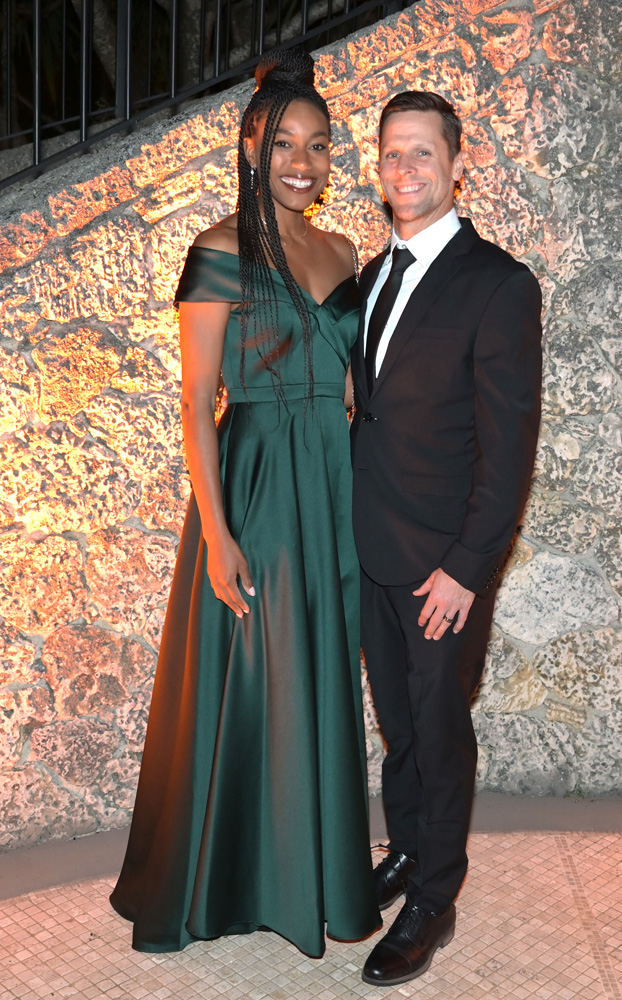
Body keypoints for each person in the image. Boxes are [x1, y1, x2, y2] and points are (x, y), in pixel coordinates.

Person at [110, 48, 381, 959]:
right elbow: (194, 405)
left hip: (334, 484)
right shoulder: (220, 249)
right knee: (261, 677)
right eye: (285, 143)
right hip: (259, 480)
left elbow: (349, 375)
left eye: (319, 145)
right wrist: (219, 532)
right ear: (252, 145)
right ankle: (239, 877)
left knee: (323, 665)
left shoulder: (343, 249)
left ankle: (317, 868)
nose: (303, 161)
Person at [351, 91, 543, 986]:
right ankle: (404, 853)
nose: (406, 170)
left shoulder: (498, 285)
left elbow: (508, 454)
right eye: (392, 153)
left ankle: (437, 894)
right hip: (371, 552)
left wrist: (468, 570)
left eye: (423, 153)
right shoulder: (368, 278)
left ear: (457, 164)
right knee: (399, 725)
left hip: (442, 568)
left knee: (439, 725)